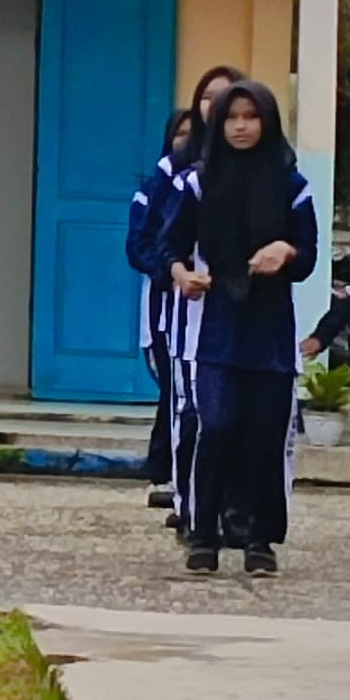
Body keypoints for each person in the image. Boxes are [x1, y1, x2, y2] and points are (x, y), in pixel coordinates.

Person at [161, 78, 317, 576]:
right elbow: (169, 245)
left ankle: (259, 541)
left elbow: (309, 253)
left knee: (264, 437)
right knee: (219, 426)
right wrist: (182, 274)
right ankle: (203, 534)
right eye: (232, 117)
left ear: (268, 122)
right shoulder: (198, 182)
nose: (241, 126)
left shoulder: (293, 185)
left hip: (270, 332)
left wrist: (286, 252)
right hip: (215, 329)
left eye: (251, 117)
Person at [130, 66, 239, 525]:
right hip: (179, 313)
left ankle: (235, 507)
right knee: (187, 404)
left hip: (240, 313)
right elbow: (145, 244)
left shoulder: (271, 171)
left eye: (226, 99)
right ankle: (189, 500)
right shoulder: (170, 177)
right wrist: (174, 272)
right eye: (206, 99)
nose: (216, 110)